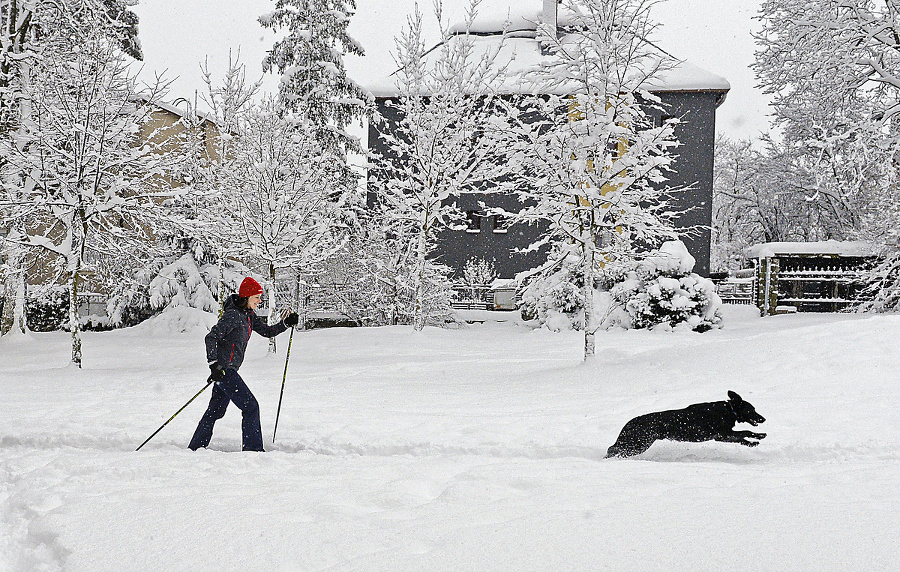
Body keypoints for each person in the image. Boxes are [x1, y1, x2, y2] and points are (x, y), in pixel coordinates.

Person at [189, 277, 299, 452]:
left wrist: (286, 323)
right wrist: (214, 365)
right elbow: (211, 338)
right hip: (225, 371)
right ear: (247, 297)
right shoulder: (232, 316)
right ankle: (253, 450)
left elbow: (267, 331)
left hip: (226, 371)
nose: (259, 301)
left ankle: (195, 447)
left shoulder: (248, 316)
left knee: (215, 411)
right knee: (250, 406)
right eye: (256, 297)